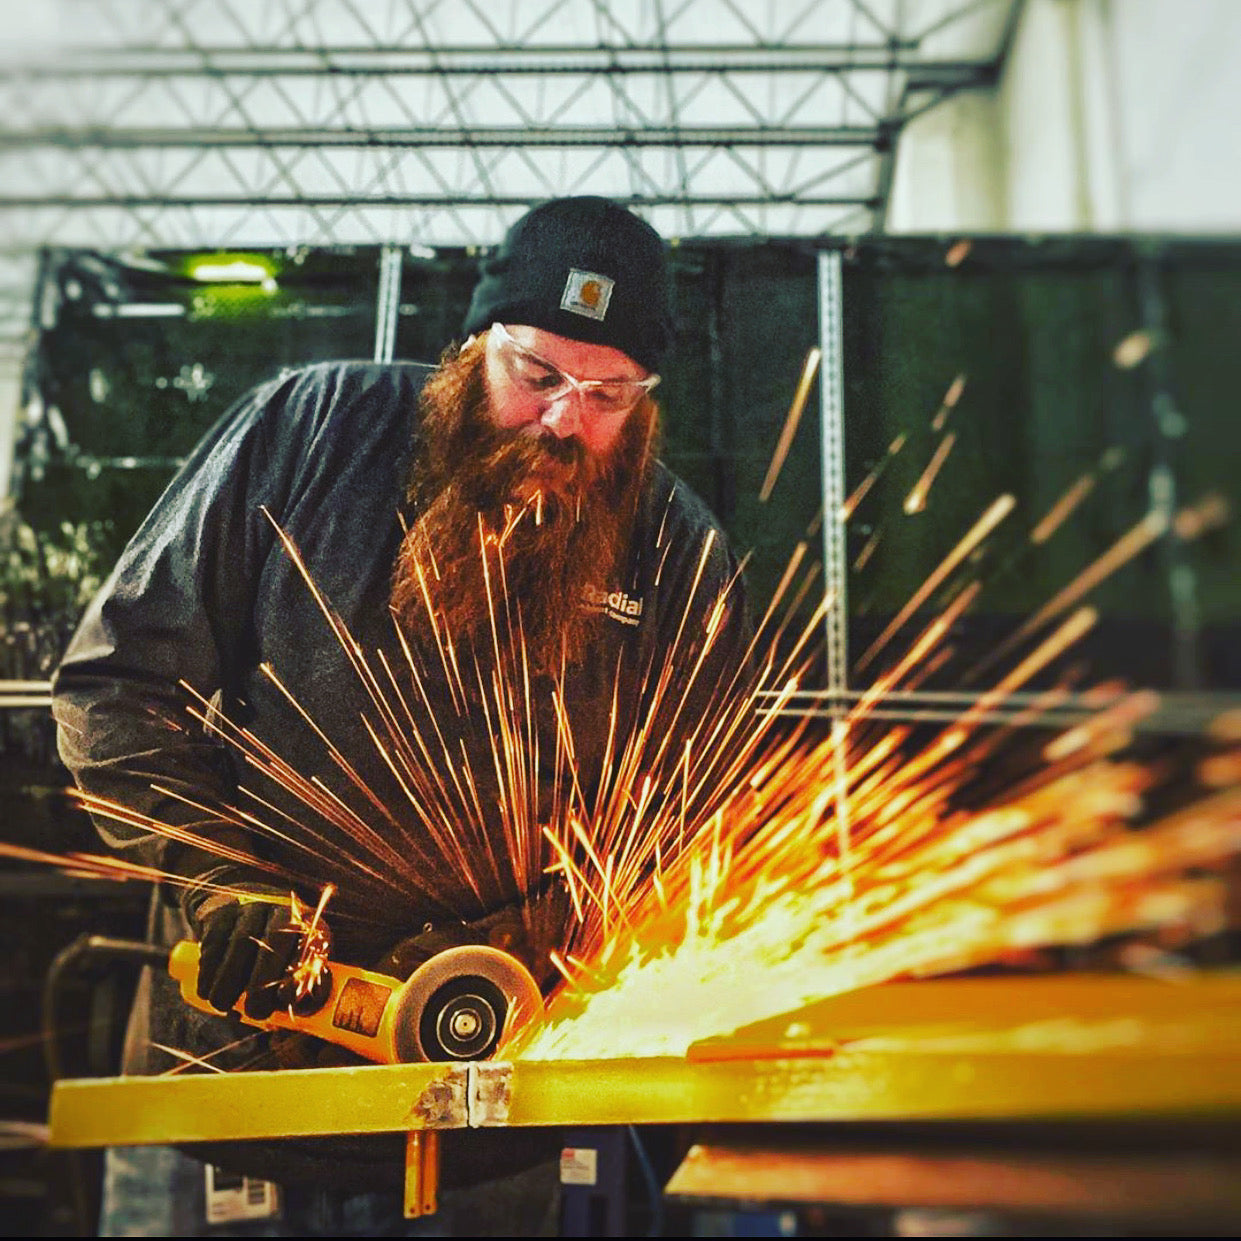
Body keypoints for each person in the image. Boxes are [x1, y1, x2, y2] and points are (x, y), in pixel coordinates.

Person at [51, 196, 754, 1235]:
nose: (565, 419)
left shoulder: (680, 555)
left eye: (608, 392)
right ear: (474, 348)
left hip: (491, 1105)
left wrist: (527, 940)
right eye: (538, 374)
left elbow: (698, 824)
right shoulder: (306, 431)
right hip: (239, 1085)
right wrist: (219, 881)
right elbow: (119, 683)